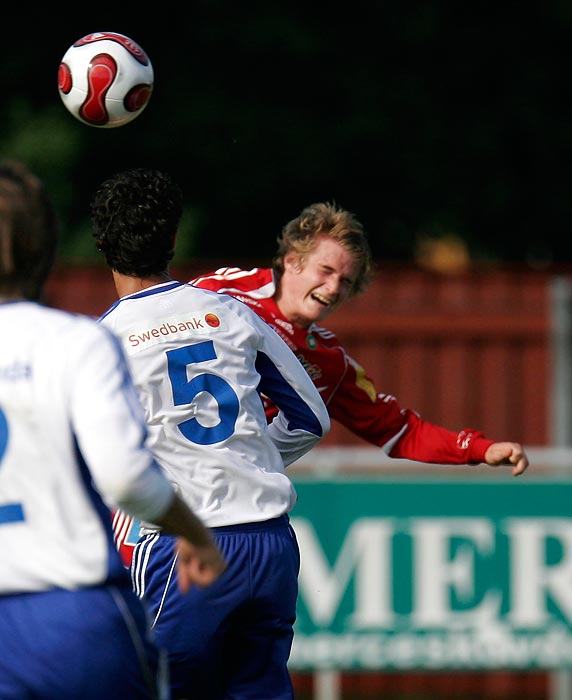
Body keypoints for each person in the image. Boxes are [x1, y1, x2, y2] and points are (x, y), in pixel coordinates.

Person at [90, 168, 330, 700]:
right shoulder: (229, 311)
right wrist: (244, 460)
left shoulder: (105, 340)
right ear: (174, 238)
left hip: (187, 550)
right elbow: (311, 417)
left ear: (102, 244)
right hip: (270, 547)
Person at [0, 160, 225, 700]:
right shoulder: (78, 341)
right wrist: (193, 533)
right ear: (47, 248)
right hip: (72, 617)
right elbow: (126, 478)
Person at [191, 201, 530, 475]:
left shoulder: (328, 362)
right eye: (325, 271)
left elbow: (400, 431)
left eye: (346, 281)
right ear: (292, 261)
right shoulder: (224, 291)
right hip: (166, 467)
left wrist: (480, 449)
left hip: (236, 495)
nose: (334, 288)